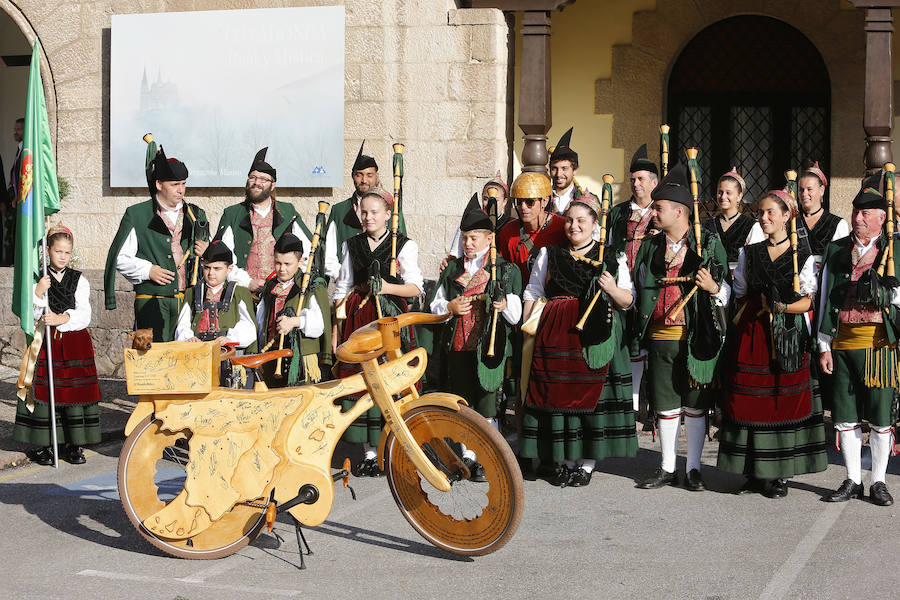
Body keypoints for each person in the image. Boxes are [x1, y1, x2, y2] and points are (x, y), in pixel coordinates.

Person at [520, 194, 637, 487]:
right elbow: (533, 292)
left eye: (581, 220)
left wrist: (610, 287)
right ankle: (563, 461)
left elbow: (628, 301)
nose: (574, 226)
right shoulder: (550, 253)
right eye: (570, 220)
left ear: (594, 225)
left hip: (596, 331)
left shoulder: (612, 255)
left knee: (591, 399)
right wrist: (527, 329)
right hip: (556, 331)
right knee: (558, 397)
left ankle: (585, 464)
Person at [716, 190, 826, 498]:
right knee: (751, 400)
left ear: (786, 216)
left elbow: (807, 301)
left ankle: (779, 476)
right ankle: (751, 473)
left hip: (788, 336)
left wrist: (782, 309)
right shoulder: (749, 253)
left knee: (781, 401)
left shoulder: (801, 255)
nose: (763, 218)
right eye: (760, 213)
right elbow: (740, 292)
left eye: (770, 213)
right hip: (752, 334)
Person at [632, 162, 730, 491]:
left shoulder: (708, 245)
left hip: (695, 337)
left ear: (679, 212)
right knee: (666, 405)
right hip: (660, 337)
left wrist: (713, 287)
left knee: (696, 406)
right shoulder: (649, 247)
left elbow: (727, 292)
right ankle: (667, 466)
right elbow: (638, 289)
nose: (653, 213)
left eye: (658, 208)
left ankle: (693, 468)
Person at [332, 190, 424, 476]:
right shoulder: (352, 245)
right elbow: (343, 286)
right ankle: (368, 452)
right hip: (360, 317)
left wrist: (386, 288)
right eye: (364, 212)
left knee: (390, 379)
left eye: (374, 212)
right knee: (363, 381)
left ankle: (393, 446)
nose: (369, 217)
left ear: (388, 215)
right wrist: (338, 330)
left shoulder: (404, 246)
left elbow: (415, 288)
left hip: (391, 320)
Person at [818, 186, 900, 507]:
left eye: (866, 213)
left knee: (881, 417)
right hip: (842, 345)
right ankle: (853, 479)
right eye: (856, 212)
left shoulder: (895, 251)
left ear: (882, 217)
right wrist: (824, 345)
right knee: (845, 415)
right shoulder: (836, 250)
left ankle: (878, 481)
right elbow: (824, 298)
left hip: (880, 346)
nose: (858, 218)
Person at [14, 224, 101, 465]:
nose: (63, 256)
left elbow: (85, 313)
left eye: (67, 252)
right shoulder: (38, 279)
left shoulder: (79, 279)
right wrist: (38, 293)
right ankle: (46, 444)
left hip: (74, 343)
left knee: (73, 393)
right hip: (46, 343)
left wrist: (62, 319)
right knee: (46, 392)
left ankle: (75, 445)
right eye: (58, 251)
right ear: (48, 251)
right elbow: (28, 314)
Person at [429, 205, 522, 427]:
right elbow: (435, 304)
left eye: (473, 238)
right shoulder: (451, 269)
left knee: (487, 403)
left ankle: (487, 455)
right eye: (464, 238)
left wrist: (503, 304)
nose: (468, 244)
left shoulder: (505, 270)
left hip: (489, 347)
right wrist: (450, 306)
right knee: (462, 403)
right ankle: (468, 455)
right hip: (458, 347)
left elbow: (516, 315)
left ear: (489, 238)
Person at [104, 148, 208, 342]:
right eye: (175, 184)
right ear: (159, 184)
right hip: (151, 302)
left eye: (184, 184)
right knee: (152, 363)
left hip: (188, 303)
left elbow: (212, 260)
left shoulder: (196, 214)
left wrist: (207, 251)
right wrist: (148, 270)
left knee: (186, 364)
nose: (181, 190)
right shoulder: (137, 214)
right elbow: (119, 257)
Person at [215, 148, 339, 294]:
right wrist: (247, 282)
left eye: (263, 179)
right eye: (252, 177)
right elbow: (223, 259)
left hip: (281, 293)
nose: (256, 183)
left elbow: (307, 255)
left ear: (272, 185)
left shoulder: (288, 212)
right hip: (242, 292)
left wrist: (290, 282)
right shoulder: (232, 214)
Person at [606, 144, 660, 413]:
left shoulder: (661, 211)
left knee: (649, 339)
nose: (635, 184)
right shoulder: (617, 212)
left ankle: (651, 400)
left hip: (650, 282)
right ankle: (633, 400)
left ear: (654, 182)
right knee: (627, 339)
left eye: (641, 179)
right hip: (623, 283)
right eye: (632, 179)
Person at [256, 232, 327, 388]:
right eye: (278, 263)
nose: (282, 269)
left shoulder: (310, 285)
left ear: (301, 261)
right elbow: (261, 321)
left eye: (287, 264)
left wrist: (296, 321)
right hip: (271, 355)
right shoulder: (270, 286)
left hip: (300, 358)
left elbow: (319, 324)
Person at [326, 140, 406, 263]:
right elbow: (328, 252)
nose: (364, 180)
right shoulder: (339, 211)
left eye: (369, 175)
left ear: (376, 176)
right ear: (353, 176)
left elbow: (402, 245)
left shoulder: (391, 207)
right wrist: (338, 276)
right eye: (359, 175)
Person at [174, 240, 257, 353]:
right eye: (207, 267)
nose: (211, 273)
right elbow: (183, 324)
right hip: (198, 351)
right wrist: (189, 338)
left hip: (229, 352)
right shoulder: (191, 293)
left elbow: (248, 326)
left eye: (217, 268)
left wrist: (231, 338)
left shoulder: (240, 293)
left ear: (229, 269)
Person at [497, 172, 567, 281]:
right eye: (519, 202)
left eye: (530, 202)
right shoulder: (508, 232)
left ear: (545, 201)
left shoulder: (563, 227)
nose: (523, 207)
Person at [442, 175, 512, 266]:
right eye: (486, 199)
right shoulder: (471, 222)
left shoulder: (510, 225)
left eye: (496, 200)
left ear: (504, 201)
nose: (490, 203)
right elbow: (455, 256)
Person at [704, 167, 764, 269]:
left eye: (728, 193)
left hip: (741, 281)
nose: (723, 197)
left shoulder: (751, 226)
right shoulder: (709, 225)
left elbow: (757, 262)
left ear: (739, 196)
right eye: (720, 192)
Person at [796, 160, 849, 272]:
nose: (804, 194)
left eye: (809, 189)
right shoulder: (792, 223)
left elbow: (840, 262)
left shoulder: (837, 224)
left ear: (821, 190)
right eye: (801, 190)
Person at [2, 117, 24, 266]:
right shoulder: (20, 148)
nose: (14, 132)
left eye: (18, 129)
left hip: (23, 200)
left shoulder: (27, 149)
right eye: (14, 129)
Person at [549, 127, 580, 215]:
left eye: (564, 168)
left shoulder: (587, 200)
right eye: (554, 168)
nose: (559, 174)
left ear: (575, 170)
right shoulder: (541, 198)